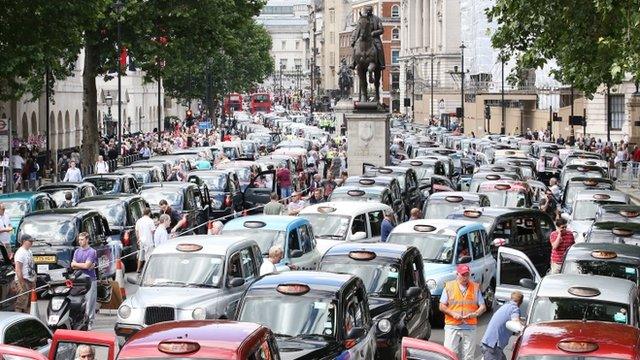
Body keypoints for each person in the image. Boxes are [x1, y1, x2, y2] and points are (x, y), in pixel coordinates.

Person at [439, 264, 487, 360]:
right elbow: (441, 306)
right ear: (457, 274)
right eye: (463, 275)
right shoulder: (449, 286)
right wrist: (453, 314)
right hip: (452, 325)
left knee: (468, 356)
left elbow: (483, 307)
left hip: (469, 326)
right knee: (449, 354)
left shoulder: (475, 287)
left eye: (467, 275)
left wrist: (475, 314)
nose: (465, 277)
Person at [481, 291, 524, 360]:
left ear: (511, 298)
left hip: (488, 343)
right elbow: (516, 322)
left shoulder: (505, 306)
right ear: (521, 302)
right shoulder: (514, 308)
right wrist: (524, 329)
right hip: (493, 347)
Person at [70, 232, 98, 330]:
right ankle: (80, 321)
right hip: (78, 280)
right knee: (78, 301)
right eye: (79, 239)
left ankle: (89, 322)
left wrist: (77, 264)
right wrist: (84, 265)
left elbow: (86, 266)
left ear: (87, 240)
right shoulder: (77, 251)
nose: (80, 241)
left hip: (90, 279)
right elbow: (72, 265)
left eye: (82, 239)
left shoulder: (92, 251)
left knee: (90, 302)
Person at [13, 234, 36, 313]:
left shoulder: (29, 251)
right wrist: (21, 283)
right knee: (21, 303)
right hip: (23, 280)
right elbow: (18, 269)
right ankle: (18, 318)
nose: (31, 242)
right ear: (23, 241)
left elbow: (31, 266)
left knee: (30, 302)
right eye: (30, 241)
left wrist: (33, 279)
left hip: (30, 280)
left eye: (32, 241)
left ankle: (28, 318)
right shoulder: (20, 253)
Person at [135, 208, 155, 273]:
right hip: (148, 240)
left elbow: (137, 231)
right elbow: (153, 231)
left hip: (141, 240)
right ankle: (148, 270)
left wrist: (138, 239)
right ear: (149, 213)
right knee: (148, 255)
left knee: (141, 255)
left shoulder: (139, 221)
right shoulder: (150, 221)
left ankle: (138, 269)